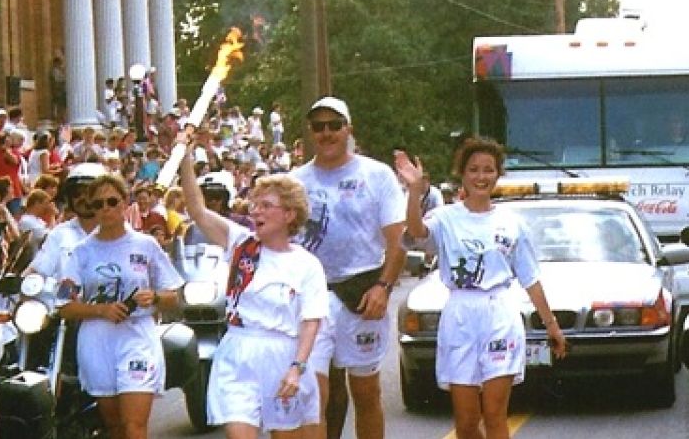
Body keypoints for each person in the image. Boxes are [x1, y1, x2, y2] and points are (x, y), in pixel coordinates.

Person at [394, 139, 567, 439]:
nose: (481, 177)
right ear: (462, 174)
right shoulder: (446, 218)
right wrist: (413, 191)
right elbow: (417, 233)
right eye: (473, 170)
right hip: (460, 315)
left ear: (498, 175)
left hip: (499, 315)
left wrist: (552, 325)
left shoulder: (511, 223)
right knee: (466, 420)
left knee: (495, 415)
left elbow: (530, 279)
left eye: (488, 170)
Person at [178, 125, 327, 438]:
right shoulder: (241, 243)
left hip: (282, 354)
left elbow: (311, 323)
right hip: (238, 350)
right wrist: (185, 157)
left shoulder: (306, 264)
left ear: (289, 215)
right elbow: (196, 209)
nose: (256, 211)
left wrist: (297, 368)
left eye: (266, 206)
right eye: (254, 204)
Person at [290, 97, 405, 439]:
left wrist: (384, 287)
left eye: (334, 125)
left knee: (366, 393)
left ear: (348, 129)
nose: (326, 133)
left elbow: (398, 240)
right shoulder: (295, 182)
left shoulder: (376, 175)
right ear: (310, 132)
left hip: (361, 293)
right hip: (313, 298)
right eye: (318, 127)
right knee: (317, 393)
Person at [58, 174, 183, 439]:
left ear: (125, 203)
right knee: (114, 427)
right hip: (97, 340)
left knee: (134, 425)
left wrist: (156, 298)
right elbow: (64, 305)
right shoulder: (81, 252)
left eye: (112, 201)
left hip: (137, 336)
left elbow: (174, 294)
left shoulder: (145, 245)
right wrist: (101, 310)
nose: (105, 208)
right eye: (98, 204)